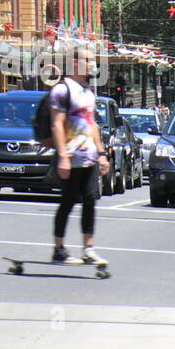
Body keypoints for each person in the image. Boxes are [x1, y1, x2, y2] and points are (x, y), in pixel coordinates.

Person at [50, 52, 110, 264]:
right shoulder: (62, 90)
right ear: (75, 63)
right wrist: (63, 156)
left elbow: (91, 124)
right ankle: (59, 249)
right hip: (71, 156)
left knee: (90, 200)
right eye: (88, 60)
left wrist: (101, 154)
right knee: (67, 202)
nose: (93, 64)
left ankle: (89, 249)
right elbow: (56, 124)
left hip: (89, 156)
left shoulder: (88, 92)